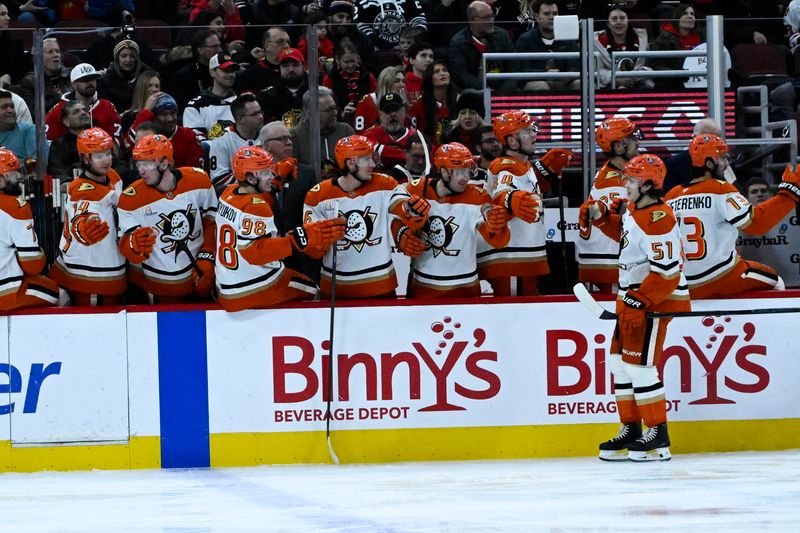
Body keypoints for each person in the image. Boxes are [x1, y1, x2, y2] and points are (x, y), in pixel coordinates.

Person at [580, 154, 690, 462]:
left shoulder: (660, 217)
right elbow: (629, 240)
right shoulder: (634, 209)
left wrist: (640, 300)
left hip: (653, 299)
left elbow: (668, 271)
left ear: (647, 183)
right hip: (632, 295)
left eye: (630, 179)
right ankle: (631, 428)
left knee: (641, 367)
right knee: (619, 364)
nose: (624, 183)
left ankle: (658, 434)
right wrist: (601, 218)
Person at [663, 134, 800, 298]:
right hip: (722, 277)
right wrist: (789, 193)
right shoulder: (720, 189)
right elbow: (757, 223)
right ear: (709, 163)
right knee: (777, 282)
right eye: (722, 159)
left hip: (682, 282)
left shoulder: (671, 195)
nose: (726, 164)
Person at [214, 145, 344, 311]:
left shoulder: (228, 193)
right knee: (314, 290)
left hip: (226, 287)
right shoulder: (257, 207)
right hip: (257, 288)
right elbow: (255, 252)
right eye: (266, 172)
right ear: (252, 179)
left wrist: (274, 184)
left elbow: (250, 205)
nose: (272, 175)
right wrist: (299, 239)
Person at [303, 134, 415, 298]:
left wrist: (412, 210)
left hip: (381, 285)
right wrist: (320, 239)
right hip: (336, 288)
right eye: (367, 160)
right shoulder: (318, 196)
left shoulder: (385, 184)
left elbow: (404, 206)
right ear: (351, 163)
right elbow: (312, 249)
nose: (373, 164)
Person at [394, 142, 510, 298]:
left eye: (468, 171)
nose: (466, 178)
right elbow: (394, 201)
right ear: (444, 171)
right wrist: (403, 230)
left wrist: (497, 226)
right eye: (460, 171)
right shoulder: (420, 188)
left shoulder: (478, 196)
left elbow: (498, 241)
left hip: (466, 288)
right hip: (424, 286)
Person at [479, 110, 573, 296]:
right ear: (512, 141)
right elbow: (502, 193)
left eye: (534, 129)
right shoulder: (505, 166)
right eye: (528, 131)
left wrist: (545, 168)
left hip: (524, 253)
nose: (534, 134)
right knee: (513, 313)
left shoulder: (522, 164)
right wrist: (511, 200)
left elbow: (527, 185)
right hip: (512, 257)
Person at [118, 134, 218, 303]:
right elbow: (125, 244)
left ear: (164, 163)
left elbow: (213, 221)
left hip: (199, 278)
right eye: (139, 164)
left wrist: (207, 256)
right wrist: (133, 245)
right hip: (156, 288)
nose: (141, 170)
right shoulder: (130, 198)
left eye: (147, 164)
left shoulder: (199, 180)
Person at [48, 128, 127, 306]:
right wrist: (83, 229)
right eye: (99, 156)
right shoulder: (81, 190)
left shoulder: (113, 176)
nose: (106, 160)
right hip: (90, 273)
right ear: (85, 158)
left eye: (108, 153)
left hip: (110, 265)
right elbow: (81, 219)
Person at [575, 117, 639, 293]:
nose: (637, 142)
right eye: (632, 138)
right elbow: (617, 229)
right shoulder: (614, 183)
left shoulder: (616, 173)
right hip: (609, 263)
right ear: (618, 147)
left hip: (607, 261)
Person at [0, 148, 59, 310]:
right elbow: (32, 264)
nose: (20, 176)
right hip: (7, 293)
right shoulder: (15, 207)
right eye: (13, 173)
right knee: (59, 293)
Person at [447, 1, 517, 92]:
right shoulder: (457, 42)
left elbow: (514, 65)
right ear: (473, 20)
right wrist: (486, 88)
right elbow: (461, 75)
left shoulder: (502, 35)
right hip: (474, 90)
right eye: (487, 17)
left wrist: (505, 89)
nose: (492, 20)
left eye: (492, 16)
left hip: (502, 88)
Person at [45, 63, 122, 144]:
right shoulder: (58, 111)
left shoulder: (107, 107)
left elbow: (117, 143)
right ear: (74, 85)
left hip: (102, 154)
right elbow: (49, 145)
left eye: (93, 79)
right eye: (84, 80)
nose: (90, 83)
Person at [125, 93, 204, 168]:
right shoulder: (147, 136)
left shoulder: (188, 136)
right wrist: (146, 112)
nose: (170, 119)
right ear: (154, 116)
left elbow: (194, 171)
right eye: (164, 114)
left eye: (173, 113)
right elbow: (128, 146)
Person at [516, 0, 581, 91]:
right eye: (546, 14)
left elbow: (575, 67)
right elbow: (523, 69)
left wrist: (563, 77)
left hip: (564, 82)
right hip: (537, 81)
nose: (551, 17)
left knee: (580, 83)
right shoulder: (525, 40)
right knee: (540, 86)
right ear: (537, 17)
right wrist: (545, 74)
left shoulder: (568, 39)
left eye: (555, 13)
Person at [207, 93, 264, 193]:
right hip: (237, 195)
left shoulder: (268, 135)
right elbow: (219, 179)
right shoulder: (221, 141)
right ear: (239, 119)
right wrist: (253, 184)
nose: (261, 117)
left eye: (260, 112)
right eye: (255, 114)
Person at [290, 86, 355, 168]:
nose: (335, 113)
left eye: (335, 108)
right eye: (328, 110)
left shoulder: (346, 131)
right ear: (310, 113)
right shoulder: (295, 136)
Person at [594, 6, 654, 90]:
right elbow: (598, 70)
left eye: (622, 18)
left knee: (649, 85)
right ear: (608, 24)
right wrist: (616, 78)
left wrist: (635, 76)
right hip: (608, 85)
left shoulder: (641, 40)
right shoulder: (597, 42)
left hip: (637, 82)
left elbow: (647, 67)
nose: (619, 22)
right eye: (614, 19)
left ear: (628, 22)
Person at [183, 51, 238, 142]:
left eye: (232, 71)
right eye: (225, 70)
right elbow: (196, 142)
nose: (230, 75)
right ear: (212, 72)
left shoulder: (242, 102)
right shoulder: (196, 105)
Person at [322, 39, 376, 127]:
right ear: (337, 60)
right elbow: (325, 106)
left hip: (366, 122)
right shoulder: (329, 79)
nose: (350, 65)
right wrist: (341, 113)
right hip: (337, 123)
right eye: (346, 62)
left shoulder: (368, 77)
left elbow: (374, 102)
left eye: (353, 61)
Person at [15, 37, 71, 113]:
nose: (56, 55)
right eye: (50, 52)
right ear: (39, 58)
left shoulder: (71, 75)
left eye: (57, 51)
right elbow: (33, 112)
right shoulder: (30, 81)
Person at [363, 92, 418, 169]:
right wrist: (407, 156)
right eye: (387, 111)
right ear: (380, 116)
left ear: (404, 112)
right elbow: (371, 148)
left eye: (395, 110)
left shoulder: (415, 137)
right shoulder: (371, 133)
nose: (392, 114)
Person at [257, 47, 309, 129]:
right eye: (286, 66)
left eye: (295, 65)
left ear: (304, 66)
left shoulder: (315, 91)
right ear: (280, 69)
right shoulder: (267, 96)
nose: (291, 69)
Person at [408, 60, 457, 145]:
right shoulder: (419, 106)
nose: (442, 73)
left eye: (445, 70)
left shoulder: (458, 101)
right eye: (436, 72)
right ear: (429, 78)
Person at [97, 39, 150, 112]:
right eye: (124, 56)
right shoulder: (105, 81)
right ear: (117, 58)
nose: (128, 60)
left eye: (132, 56)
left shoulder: (147, 76)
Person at [46, 100, 92, 183]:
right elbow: (56, 171)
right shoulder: (59, 145)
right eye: (76, 112)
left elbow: (120, 165)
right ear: (66, 122)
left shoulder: (102, 138)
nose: (83, 113)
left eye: (84, 110)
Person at [353, 0, 427, 50]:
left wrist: (414, 38)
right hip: (378, 50)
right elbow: (360, 25)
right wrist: (383, 45)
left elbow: (419, 18)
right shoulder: (362, 2)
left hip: (409, 48)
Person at [353, 65, 406, 133]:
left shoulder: (405, 103)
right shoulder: (366, 101)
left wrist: (404, 106)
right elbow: (360, 133)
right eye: (397, 81)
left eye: (403, 81)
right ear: (386, 82)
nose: (403, 85)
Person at [238, 27, 290, 93]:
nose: (287, 46)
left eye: (288, 42)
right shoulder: (250, 75)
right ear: (267, 46)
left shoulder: (294, 70)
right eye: (280, 42)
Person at [0, 90, 35, 162]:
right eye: (4, 107)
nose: (10, 110)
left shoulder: (29, 130)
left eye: (12, 107)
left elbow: (38, 165)